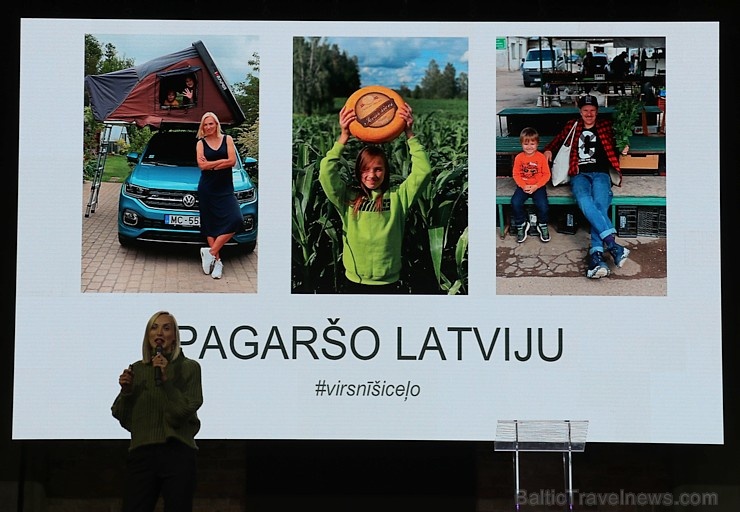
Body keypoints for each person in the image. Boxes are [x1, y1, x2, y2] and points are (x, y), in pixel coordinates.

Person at [318, 102, 432, 293]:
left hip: (389, 282)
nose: (372, 175)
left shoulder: (398, 198)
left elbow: (424, 172)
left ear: (386, 172)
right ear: (358, 171)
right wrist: (343, 137)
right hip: (354, 280)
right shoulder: (347, 198)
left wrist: (409, 134)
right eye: (365, 169)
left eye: (378, 169)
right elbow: (325, 174)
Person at [112, 311, 203, 512]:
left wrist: (167, 383)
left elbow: (183, 411)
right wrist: (126, 392)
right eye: (154, 327)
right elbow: (124, 418)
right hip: (142, 453)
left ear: (174, 337)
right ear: (148, 335)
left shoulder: (189, 368)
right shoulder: (137, 369)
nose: (159, 332)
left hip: (178, 452)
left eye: (166, 327)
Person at [543, 94, 630, 279]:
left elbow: (619, 142)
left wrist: (624, 147)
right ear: (580, 111)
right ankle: (613, 246)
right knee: (583, 199)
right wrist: (549, 149)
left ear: (597, 111)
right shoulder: (572, 125)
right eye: (585, 110)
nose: (589, 114)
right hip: (579, 173)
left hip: (601, 174)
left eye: (592, 110)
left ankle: (597, 254)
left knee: (599, 205)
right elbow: (558, 140)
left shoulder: (605, 125)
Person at [196, 112, 243, 279]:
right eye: (205, 124)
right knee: (210, 225)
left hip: (225, 189)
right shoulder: (201, 143)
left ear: (216, 124)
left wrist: (212, 164)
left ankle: (209, 252)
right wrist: (216, 164)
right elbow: (202, 166)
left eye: (211, 123)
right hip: (207, 189)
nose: (208, 127)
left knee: (236, 220)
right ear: (202, 127)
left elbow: (232, 161)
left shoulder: (227, 139)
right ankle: (217, 262)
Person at [510, 127, 550, 243]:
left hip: (538, 186)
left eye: (532, 143)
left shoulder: (541, 157)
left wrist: (536, 186)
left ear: (537, 144)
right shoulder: (519, 158)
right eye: (526, 144)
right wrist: (523, 185)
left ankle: (542, 224)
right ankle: (521, 224)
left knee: (543, 205)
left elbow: (546, 174)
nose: (529, 147)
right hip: (523, 186)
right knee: (515, 202)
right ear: (521, 144)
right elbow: (516, 174)